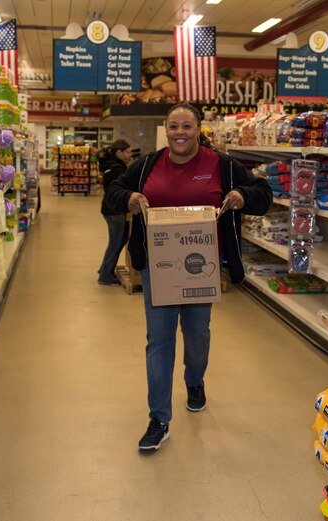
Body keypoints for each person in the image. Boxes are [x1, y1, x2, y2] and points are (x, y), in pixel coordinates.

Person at [105, 103, 272, 452]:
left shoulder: (222, 165)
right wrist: (131, 198)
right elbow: (112, 191)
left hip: (201, 267)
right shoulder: (148, 164)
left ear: (198, 130)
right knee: (159, 340)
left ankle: (194, 381)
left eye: (187, 126)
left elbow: (263, 193)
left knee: (197, 334)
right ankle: (159, 419)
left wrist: (242, 196)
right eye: (173, 127)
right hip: (158, 267)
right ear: (165, 130)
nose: (180, 133)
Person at [97, 139, 133, 285]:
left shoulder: (111, 165)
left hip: (112, 208)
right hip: (114, 210)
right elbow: (120, 189)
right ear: (119, 152)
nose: (130, 155)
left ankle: (105, 269)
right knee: (116, 242)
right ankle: (105, 276)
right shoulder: (116, 168)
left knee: (121, 239)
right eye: (128, 152)